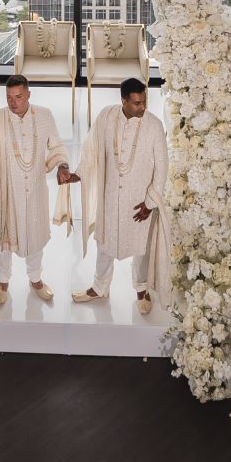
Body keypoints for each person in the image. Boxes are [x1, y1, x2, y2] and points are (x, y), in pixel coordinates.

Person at [74, 77, 170, 313]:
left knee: (140, 246)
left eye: (144, 101)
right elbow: (91, 147)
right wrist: (78, 173)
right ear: (123, 101)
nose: (142, 107)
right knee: (105, 242)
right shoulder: (107, 116)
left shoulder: (154, 125)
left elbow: (162, 167)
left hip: (139, 200)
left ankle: (141, 289)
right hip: (110, 195)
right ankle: (99, 287)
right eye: (137, 103)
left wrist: (150, 202)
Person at [0, 75, 77, 306]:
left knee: (35, 238)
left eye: (19, 97)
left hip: (35, 191)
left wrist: (62, 165)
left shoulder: (44, 116)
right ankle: (3, 280)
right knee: (4, 241)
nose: (13, 102)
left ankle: (35, 279)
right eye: (9, 98)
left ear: (29, 95)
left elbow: (57, 145)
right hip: (6, 191)